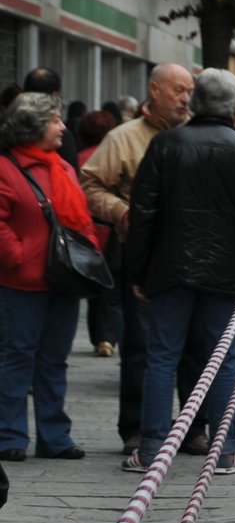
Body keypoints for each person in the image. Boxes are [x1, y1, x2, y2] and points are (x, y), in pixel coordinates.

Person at [122, 70, 235, 475]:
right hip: (227, 277)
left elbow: (143, 213)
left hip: (169, 270)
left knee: (161, 358)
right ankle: (223, 451)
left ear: (195, 102)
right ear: (234, 106)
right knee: (223, 361)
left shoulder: (166, 145)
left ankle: (152, 447)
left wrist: (137, 269)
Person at [79, 62, 198, 456]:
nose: (185, 98)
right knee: (142, 344)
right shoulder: (124, 138)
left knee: (195, 345)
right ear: (155, 90)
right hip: (143, 253)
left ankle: (193, 428)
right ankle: (136, 427)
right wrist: (121, 212)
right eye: (178, 90)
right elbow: (91, 183)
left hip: (195, 254)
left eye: (189, 91)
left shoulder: (201, 135)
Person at [0, 93, 95, 461]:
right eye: (55, 120)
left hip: (63, 280)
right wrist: (17, 256)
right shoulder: (6, 168)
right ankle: (9, 436)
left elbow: (80, 218)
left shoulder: (63, 168)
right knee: (17, 357)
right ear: (34, 126)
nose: (62, 127)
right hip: (21, 282)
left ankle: (55, 436)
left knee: (55, 360)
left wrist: (89, 255)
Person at [75, 110, 122, 358]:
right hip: (110, 229)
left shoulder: (77, 158)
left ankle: (100, 336)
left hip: (86, 229)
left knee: (94, 288)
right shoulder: (112, 154)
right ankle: (109, 336)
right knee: (112, 287)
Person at [21, 66, 79, 168]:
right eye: (56, 121)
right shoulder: (60, 136)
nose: (62, 127)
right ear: (55, 94)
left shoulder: (7, 127)